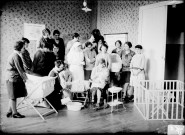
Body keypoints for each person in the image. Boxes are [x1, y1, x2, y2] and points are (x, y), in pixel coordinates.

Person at [6, 41, 28, 118]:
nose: (24, 49)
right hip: (13, 78)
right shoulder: (16, 56)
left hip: (10, 77)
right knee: (13, 96)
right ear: (20, 48)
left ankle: (9, 110)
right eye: (23, 47)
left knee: (12, 95)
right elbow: (20, 70)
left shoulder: (13, 54)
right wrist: (25, 78)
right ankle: (15, 113)